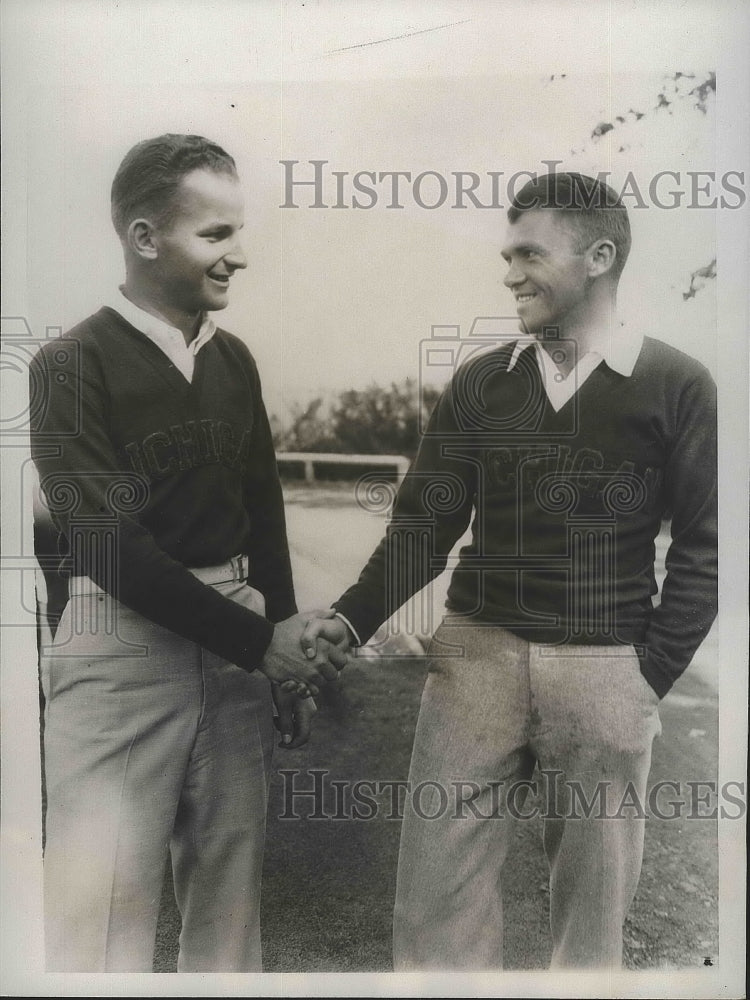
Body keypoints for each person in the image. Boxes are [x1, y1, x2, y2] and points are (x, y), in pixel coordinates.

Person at [302, 172, 718, 969]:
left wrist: (648, 676)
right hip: (473, 663)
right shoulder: (483, 380)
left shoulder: (678, 383)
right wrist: (350, 619)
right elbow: (424, 525)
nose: (510, 273)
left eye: (530, 252)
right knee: (433, 912)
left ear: (599, 256)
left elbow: (704, 549)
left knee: (591, 932)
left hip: (605, 672)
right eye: (506, 254)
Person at [29, 133, 348, 972]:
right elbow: (102, 541)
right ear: (143, 238)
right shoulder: (70, 364)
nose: (239, 256)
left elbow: (262, 515)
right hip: (121, 643)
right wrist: (261, 644)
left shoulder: (233, 359)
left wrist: (281, 650)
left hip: (239, 640)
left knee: (229, 915)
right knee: (99, 923)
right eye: (216, 235)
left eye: (238, 233)